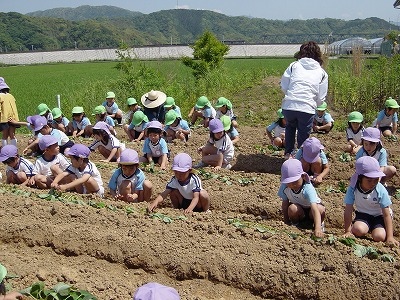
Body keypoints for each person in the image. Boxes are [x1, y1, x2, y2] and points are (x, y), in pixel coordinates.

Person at [280, 41, 328, 159]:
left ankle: (288, 154)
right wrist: (314, 103)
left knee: (290, 127)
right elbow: (321, 97)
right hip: (307, 108)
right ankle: (301, 159)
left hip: (289, 105)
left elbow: (284, 86)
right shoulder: (321, 72)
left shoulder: (294, 65)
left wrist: (291, 96)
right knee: (303, 135)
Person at [343, 156, 399, 246]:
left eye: (376, 180)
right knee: (358, 230)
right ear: (360, 178)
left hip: (380, 216)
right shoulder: (353, 189)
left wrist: (390, 237)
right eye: (369, 180)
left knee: (379, 237)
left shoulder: (380, 189)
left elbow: (386, 214)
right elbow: (348, 210)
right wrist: (348, 231)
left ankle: (377, 228)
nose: (373, 183)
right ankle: (367, 226)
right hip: (364, 214)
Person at [278, 158, 325, 238]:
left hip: (312, 210)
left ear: (303, 176)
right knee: (292, 209)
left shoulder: (307, 188)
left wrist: (317, 229)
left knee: (320, 209)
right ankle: (296, 225)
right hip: (299, 211)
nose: (293, 185)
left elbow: (314, 208)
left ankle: (319, 225)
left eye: (295, 181)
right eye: (289, 182)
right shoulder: (285, 187)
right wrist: (286, 220)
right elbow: (285, 204)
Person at [0, 77, 19, 147]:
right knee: (12, 135)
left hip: (4, 119)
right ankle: (14, 150)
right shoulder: (11, 96)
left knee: (4, 136)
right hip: (13, 118)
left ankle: (5, 150)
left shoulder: (0, 96)